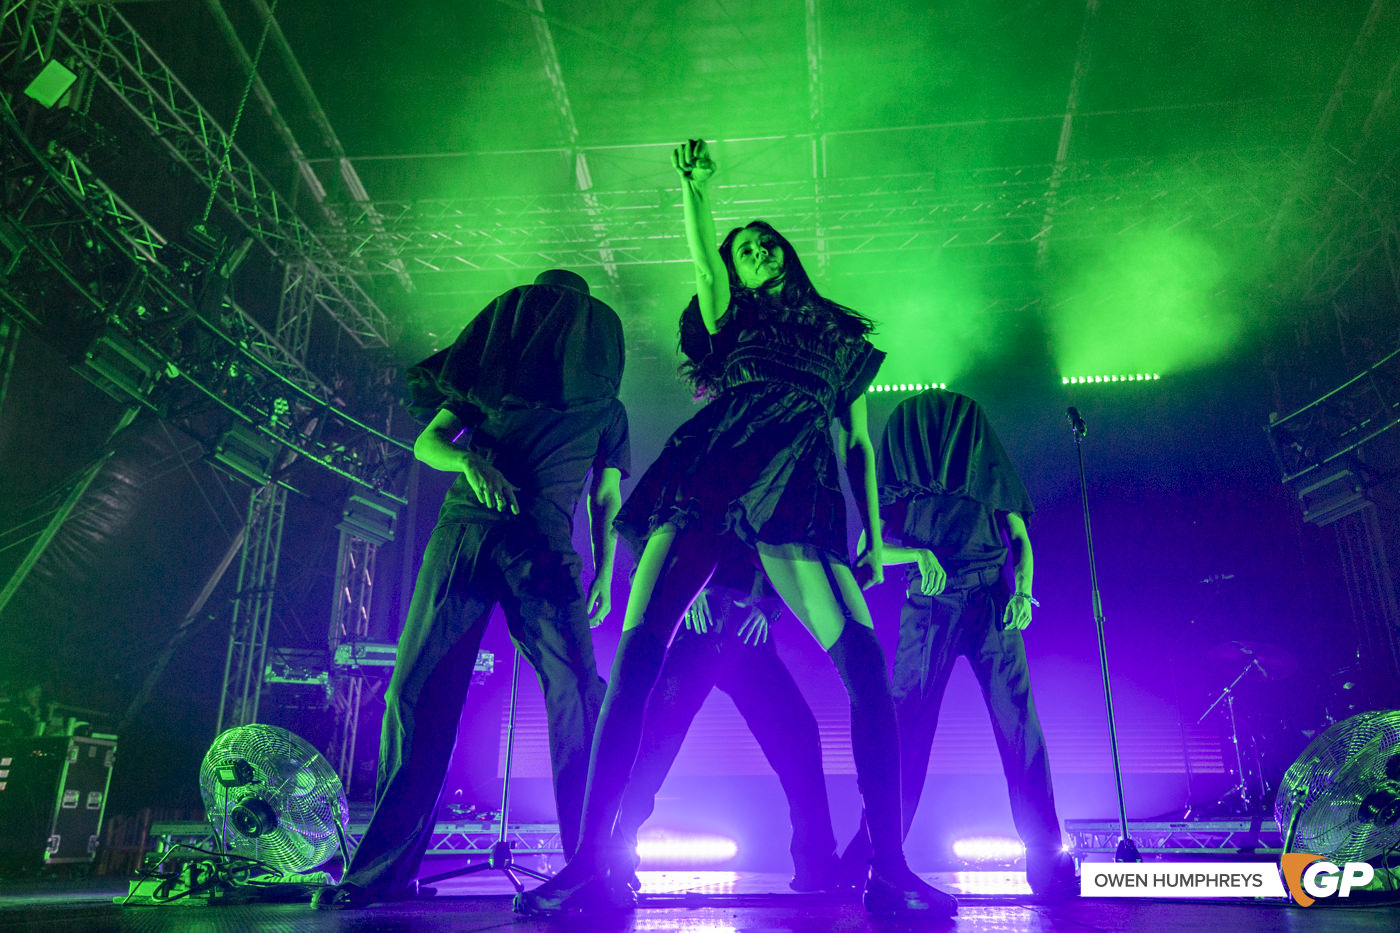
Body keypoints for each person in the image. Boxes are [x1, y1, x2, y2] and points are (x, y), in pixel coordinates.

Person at [514, 140, 956, 918]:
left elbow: (856, 440)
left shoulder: (840, 342)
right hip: (713, 466)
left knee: (864, 665)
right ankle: (588, 858)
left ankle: (890, 865)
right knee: (639, 653)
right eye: (741, 248)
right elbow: (704, 265)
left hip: (798, 482)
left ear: (786, 255)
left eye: (765, 242)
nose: (753, 251)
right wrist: (698, 193)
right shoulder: (731, 319)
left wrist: (874, 535)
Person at [314, 269, 629, 909]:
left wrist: (605, 569)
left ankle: (595, 867)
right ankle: (378, 875)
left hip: (543, 546)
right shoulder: (492, 379)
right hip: (465, 532)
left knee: (577, 693)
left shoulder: (606, 407)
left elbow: (606, 495)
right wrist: (468, 458)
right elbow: (428, 442)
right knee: (415, 689)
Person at [840, 388, 1076, 897]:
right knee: (905, 726)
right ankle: (876, 853)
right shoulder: (904, 487)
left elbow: (1019, 538)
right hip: (931, 607)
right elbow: (867, 549)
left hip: (991, 599)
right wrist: (917, 556)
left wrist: (1025, 589)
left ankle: (1046, 858)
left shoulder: (986, 473)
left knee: (1020, 727)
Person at [613, 548, 841, 893]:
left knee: (799, 734)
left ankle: (819, 865)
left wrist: (767, 608)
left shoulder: (761, 502)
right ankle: (613, 860)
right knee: (654, 746)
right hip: (693, 629)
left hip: (747, 631)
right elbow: (645, 556)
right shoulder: (687, 497)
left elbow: (777, 561)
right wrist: (683, 596)